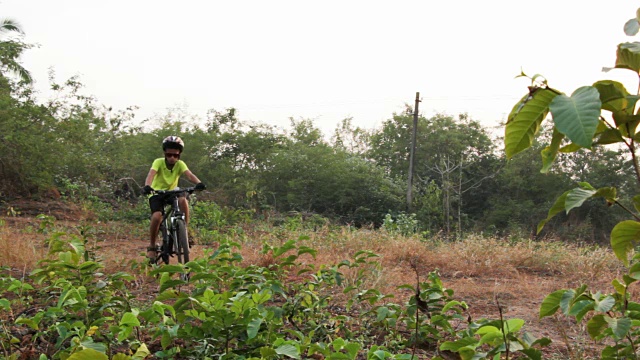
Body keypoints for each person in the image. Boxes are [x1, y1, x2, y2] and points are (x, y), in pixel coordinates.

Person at [142, 136, 206, 262]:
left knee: (183, 200)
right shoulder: (158, 162)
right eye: (169, 154)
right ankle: (152, 246)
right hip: (156, 192)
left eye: (175, 155)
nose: (172, 158)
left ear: (179, 155)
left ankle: (184, 231)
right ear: (165, 154)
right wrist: (147, 186)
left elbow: (189, 174)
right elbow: (151, 174)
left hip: (172, 192)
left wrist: (199, 183)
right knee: (157, 216)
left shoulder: (180, 164)